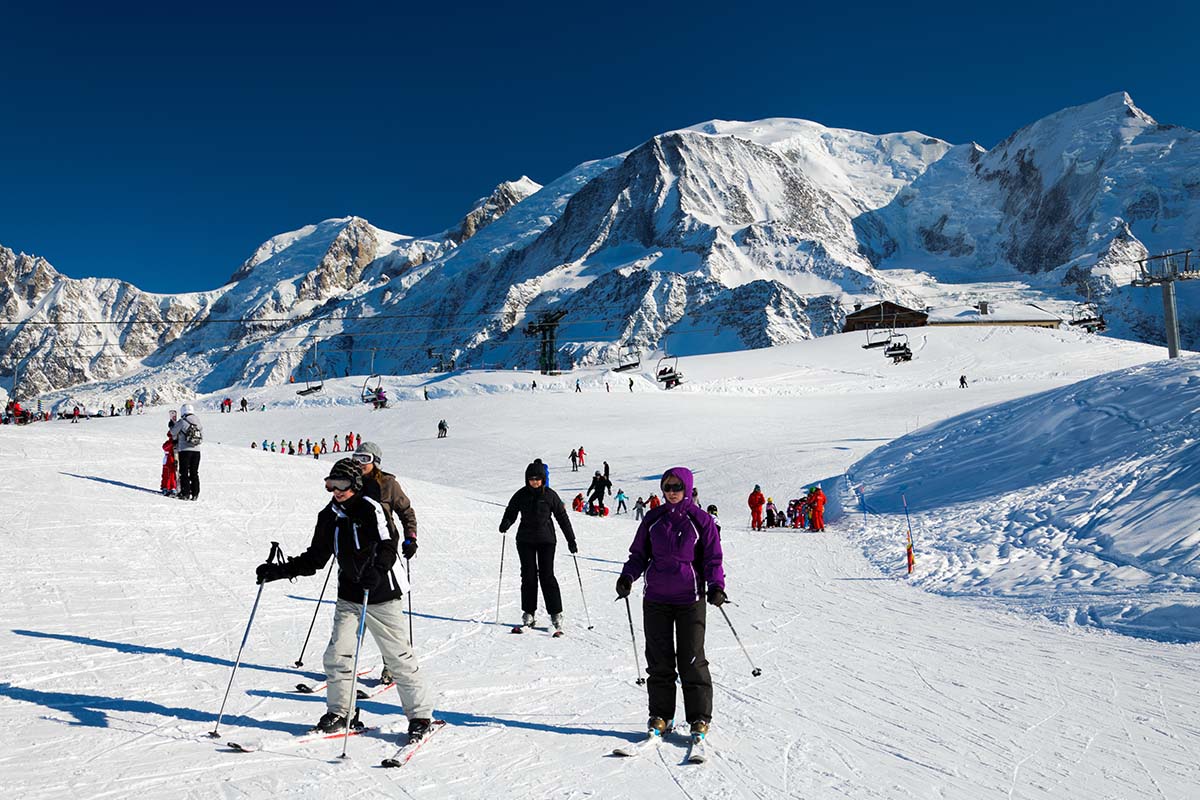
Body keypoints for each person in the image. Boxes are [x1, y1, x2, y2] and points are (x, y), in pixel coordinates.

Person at [255, 458, 436, 741]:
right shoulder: (328, 516)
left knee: (398, 656)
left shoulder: (371, 509)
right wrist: (278, 571)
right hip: (349, 594)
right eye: (331, 484)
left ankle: (420, 716)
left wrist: (376, 572)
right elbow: (315, 559)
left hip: (382, 593)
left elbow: (389, 546)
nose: (336, 490)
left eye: (342, 484)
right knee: (338, 655)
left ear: (355, 484)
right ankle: (342, 713)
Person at [615, 467, 725, 745]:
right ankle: (661, 715)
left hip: (690, 599)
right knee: (659, 659)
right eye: (667, 487)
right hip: (656, 599)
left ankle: (699, 717)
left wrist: (716, 586)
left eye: (677, 487)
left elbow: (713, 558)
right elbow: (638, 554)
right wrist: (628, 575)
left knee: (692, 659)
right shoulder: (654, 519)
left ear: (687, 487)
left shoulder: (701, 520)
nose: (672, 492)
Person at [499, 461, 578, 634]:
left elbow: (562, 518)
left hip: (546, 541)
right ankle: (529, 613)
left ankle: (556, 613)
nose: (534, 482)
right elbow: (511, 510)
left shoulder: (550, 495)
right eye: (531, 479)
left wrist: (571, 539)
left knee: (547, 576)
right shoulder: (521, 495)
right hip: (525, 540)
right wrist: (506, 522)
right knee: (528, 576)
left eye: (537, 479)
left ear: (543, 479)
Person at [169, 403, 203, 501]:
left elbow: (173, 432)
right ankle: (195, 493)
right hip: (197, 451)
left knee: (183, 472)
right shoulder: (198, 422)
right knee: (194, 472)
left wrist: (172, 425)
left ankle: (185, 493)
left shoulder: (182, 421)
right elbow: (202, 437)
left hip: (184, 450)